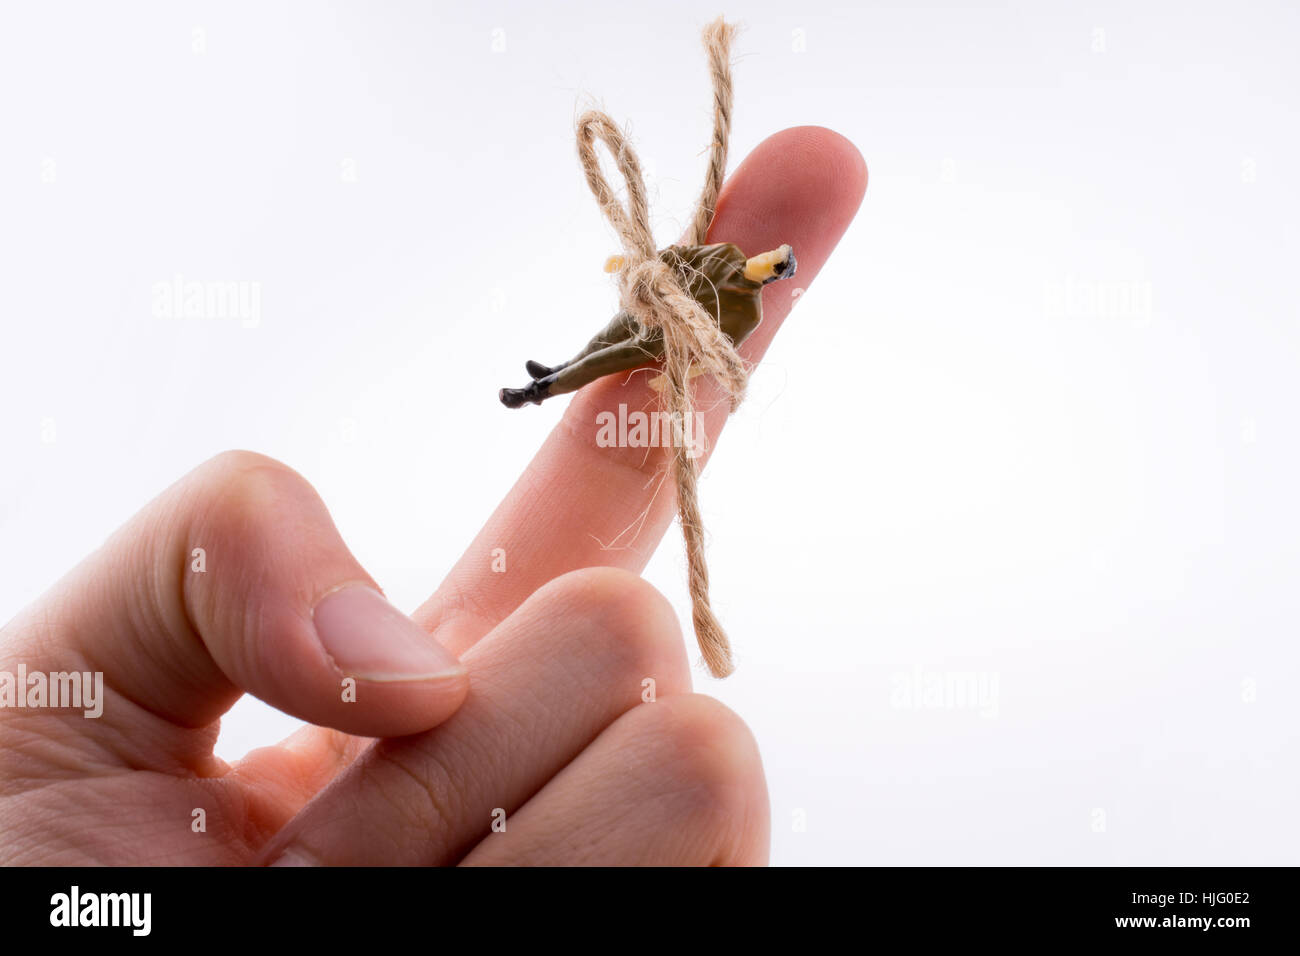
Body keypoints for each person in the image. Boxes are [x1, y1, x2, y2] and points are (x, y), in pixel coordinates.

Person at [0, 127, 866, 865]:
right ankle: (543, 385)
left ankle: (544, 385)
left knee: (665, 714)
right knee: (647, 682)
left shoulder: (731, 297)